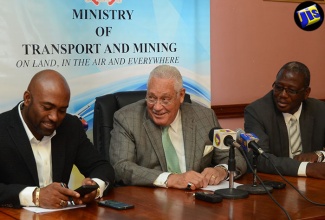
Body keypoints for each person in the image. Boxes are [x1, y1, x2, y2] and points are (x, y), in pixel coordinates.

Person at [109, 65, 247, 190]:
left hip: (198, 203)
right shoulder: (127, 119)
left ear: (181, 95)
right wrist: (171, 179)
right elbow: (121, 167)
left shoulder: (204, 117)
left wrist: (221, 170)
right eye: (151, 98)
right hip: (151, 204)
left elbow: (235, 158)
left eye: (165, 99)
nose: (156, 107)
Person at [0, 69, 115, 208]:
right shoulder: (3, 128)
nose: (54, 117)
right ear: (27, 98)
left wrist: (95, 188)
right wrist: (35, 196)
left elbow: (101, 166)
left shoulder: (70, 126)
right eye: (47, 107)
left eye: (62, 110)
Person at [244, 61, 325, 179]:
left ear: (306, 93)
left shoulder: (320, 110)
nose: (283, 94)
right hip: (276, 182)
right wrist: (307, 168)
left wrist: (319, 155)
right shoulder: (257, 112)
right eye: (278, 87)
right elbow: (259, 158)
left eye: (291, 90)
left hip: (313, 185)